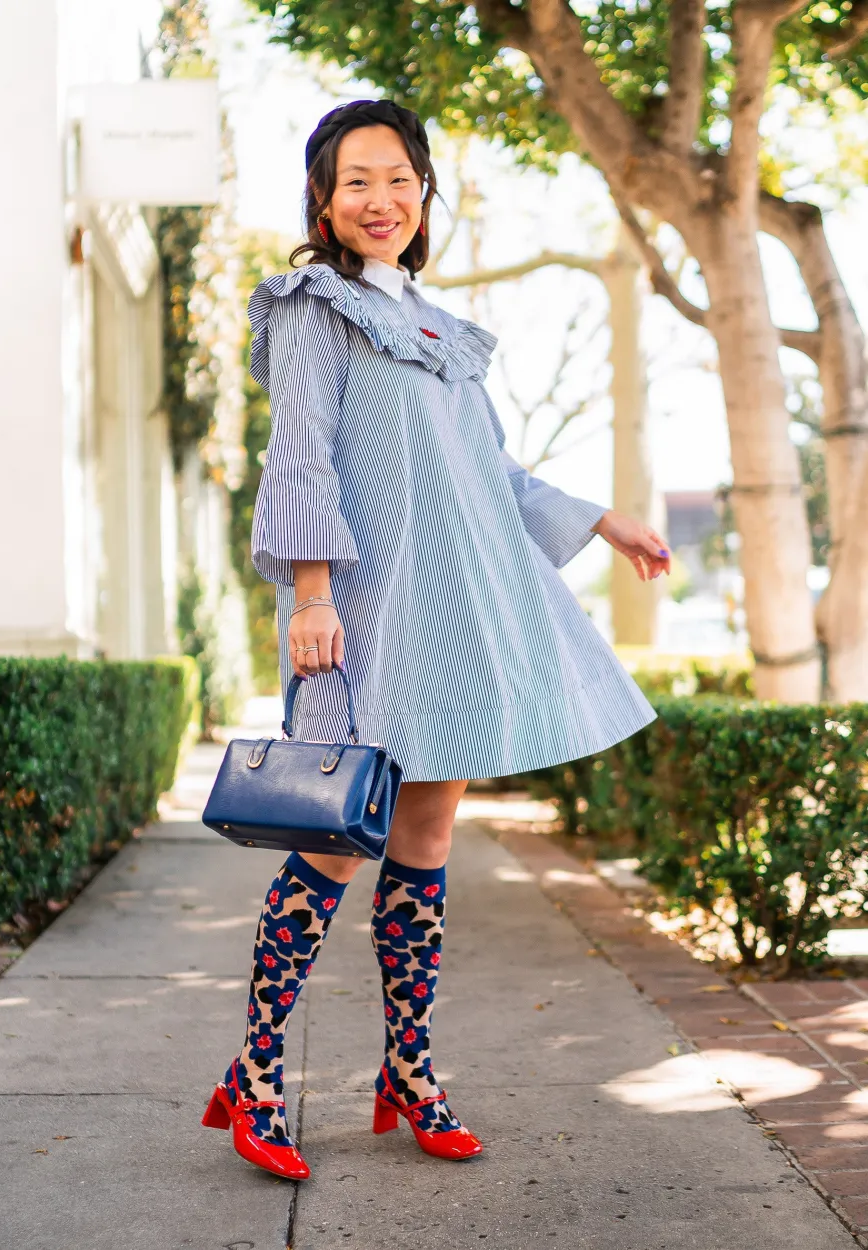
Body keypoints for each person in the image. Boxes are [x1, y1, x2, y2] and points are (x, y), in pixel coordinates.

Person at [202, 99, 669, 1181]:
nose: (381, 199)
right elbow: (303, 456)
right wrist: (310, 595)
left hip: (453, 611)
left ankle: (407, 1066)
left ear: (424, 196)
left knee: (423, 837)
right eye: (356, 180)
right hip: (362, 613)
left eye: (401, 178)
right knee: (331, 835)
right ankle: (257, 1071)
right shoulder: (313, 307)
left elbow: (491, 476)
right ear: (323, 199)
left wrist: (600, 517)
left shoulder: (436, 325)